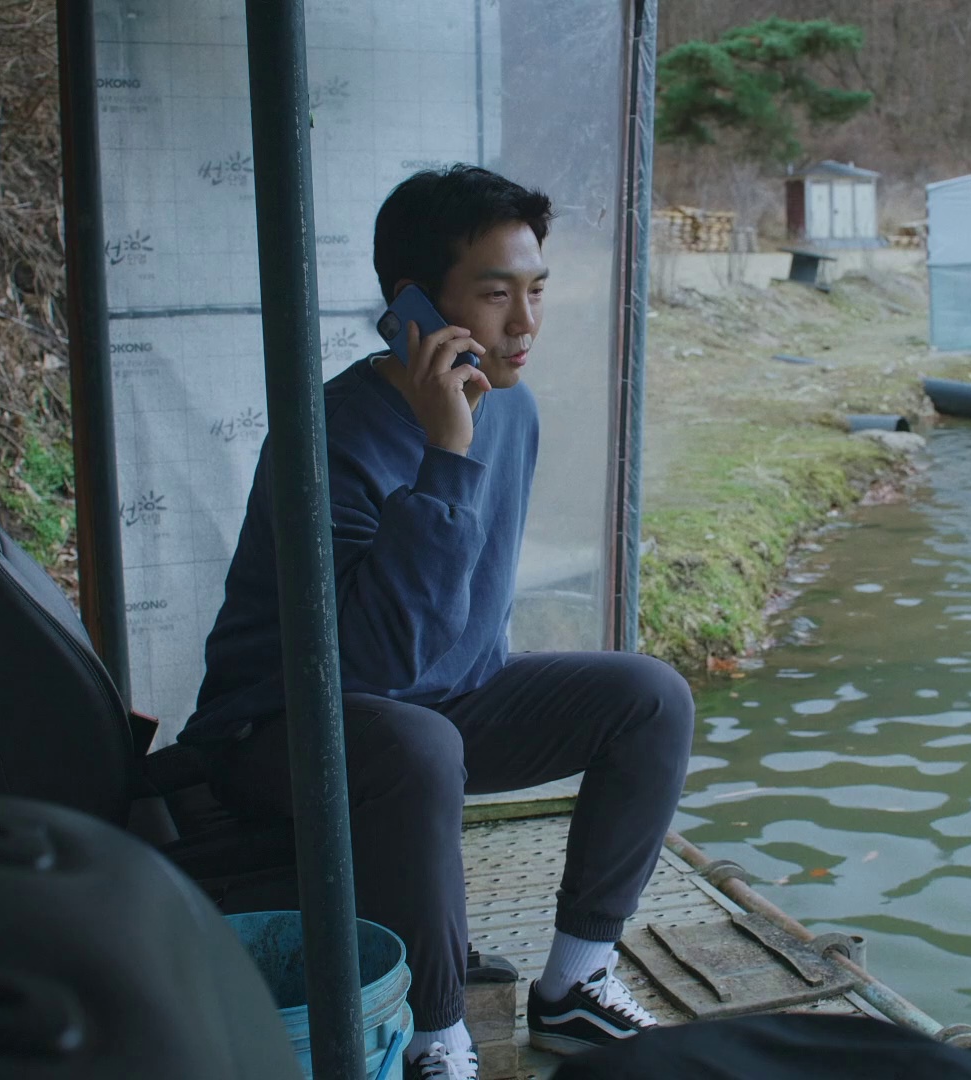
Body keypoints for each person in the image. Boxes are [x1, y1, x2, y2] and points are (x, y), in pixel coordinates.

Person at [184, 165, 694, 1080]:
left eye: (537, 290)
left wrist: (458, 444)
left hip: (439, 707)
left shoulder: (512, 408)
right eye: (496, 295)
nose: (525, 323)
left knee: (651, 698)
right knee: (419, 744)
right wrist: (444, 454)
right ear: (412, 304)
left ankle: (576, 984)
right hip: (283, 727)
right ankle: (433, 1036)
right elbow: (374, 664)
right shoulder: (327, 435)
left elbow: (457, 628)